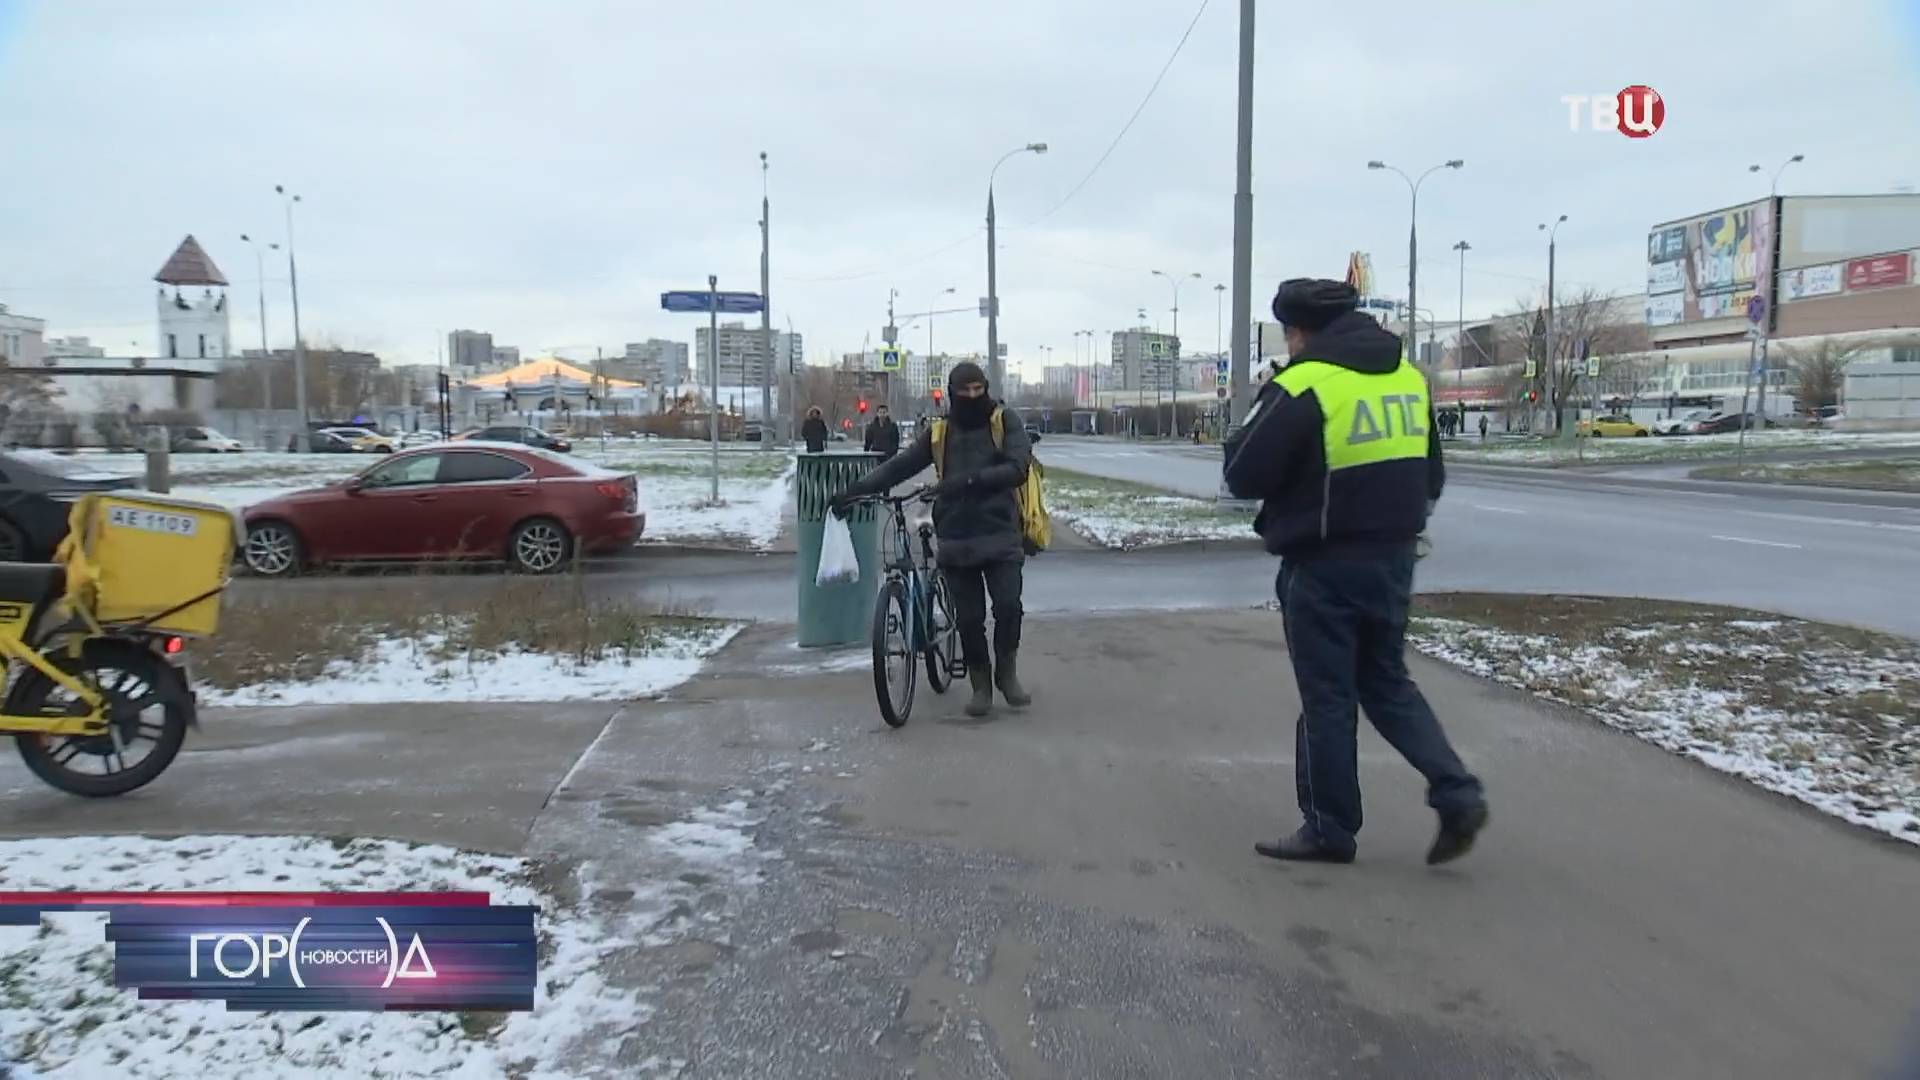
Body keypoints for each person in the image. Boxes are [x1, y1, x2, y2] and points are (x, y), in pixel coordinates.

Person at [1223, 278, 1488, 866]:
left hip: (1322, 564)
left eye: (1289, 334)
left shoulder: (1303, 384)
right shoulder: (1406, 379)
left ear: (1299, 331)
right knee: (1387, 683)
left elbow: (1242, 475)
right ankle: (1457, 791)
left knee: (1328, 699)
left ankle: (1330, 827)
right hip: (1394, 557)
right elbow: (1432, 475)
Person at [828, 362, 1032, 718]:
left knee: (1008, 606)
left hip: (1000, 531)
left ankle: (1007, 674)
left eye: (977, 389)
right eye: (965, 390)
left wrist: (967, 481)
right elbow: (900, 466)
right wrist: (854, 491)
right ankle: (980, 684)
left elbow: (1017, 468)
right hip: (956, 534)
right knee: (968, 618)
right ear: (953, 393)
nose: (972, 396)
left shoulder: (1004, 421)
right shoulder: (940, 434)